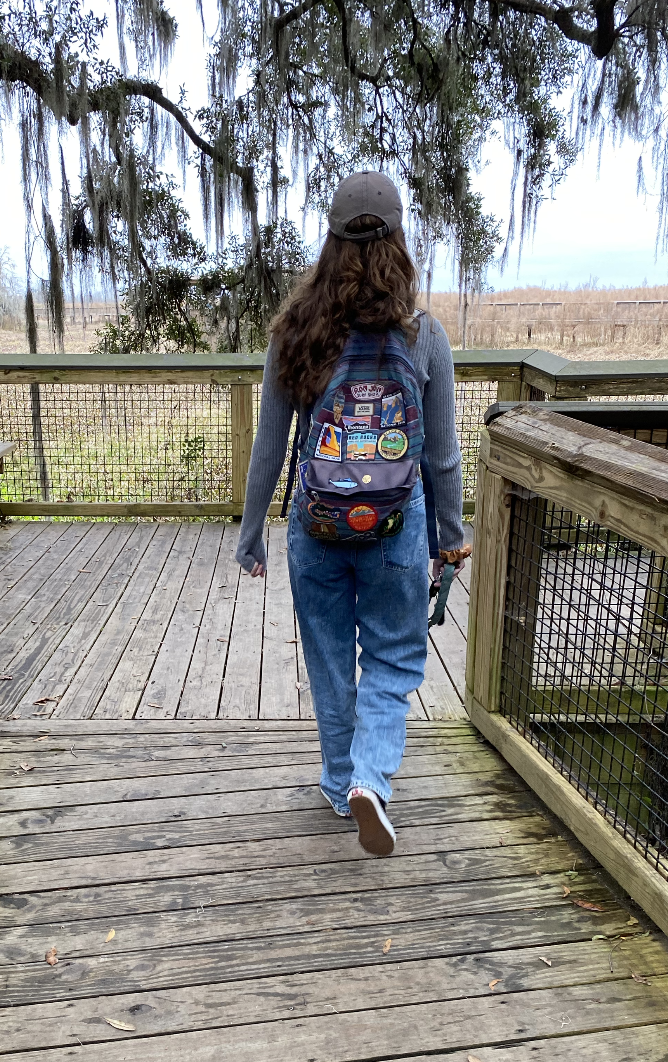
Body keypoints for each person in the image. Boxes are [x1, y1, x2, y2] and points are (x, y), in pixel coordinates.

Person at [235, 171, 470, 857]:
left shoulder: (295, 332)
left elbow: (270, 447)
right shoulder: (426, 337)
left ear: (331, 243)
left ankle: (342, 783)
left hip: (315, 525)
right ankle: (371, 777)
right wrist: (450, 539)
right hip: (398, 527)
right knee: (394, 656)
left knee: (329, 657)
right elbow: (443, 457)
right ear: (398, 243)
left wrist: (251, 533)